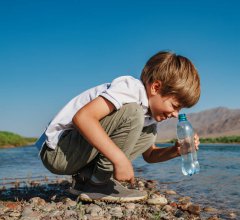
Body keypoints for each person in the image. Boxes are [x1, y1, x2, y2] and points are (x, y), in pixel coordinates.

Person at [35, 51, 201, 203]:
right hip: (57, 151)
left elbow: (149, 155)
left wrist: (176, 150)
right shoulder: (131, 89)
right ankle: (99, 183)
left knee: (148, 133)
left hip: (75, 155)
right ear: (155, 87)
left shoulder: (149, 117)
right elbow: (83, 118)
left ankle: (87, 180)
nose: (175, 114)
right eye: (174, 105)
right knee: (132, 113)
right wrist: (119, 159)